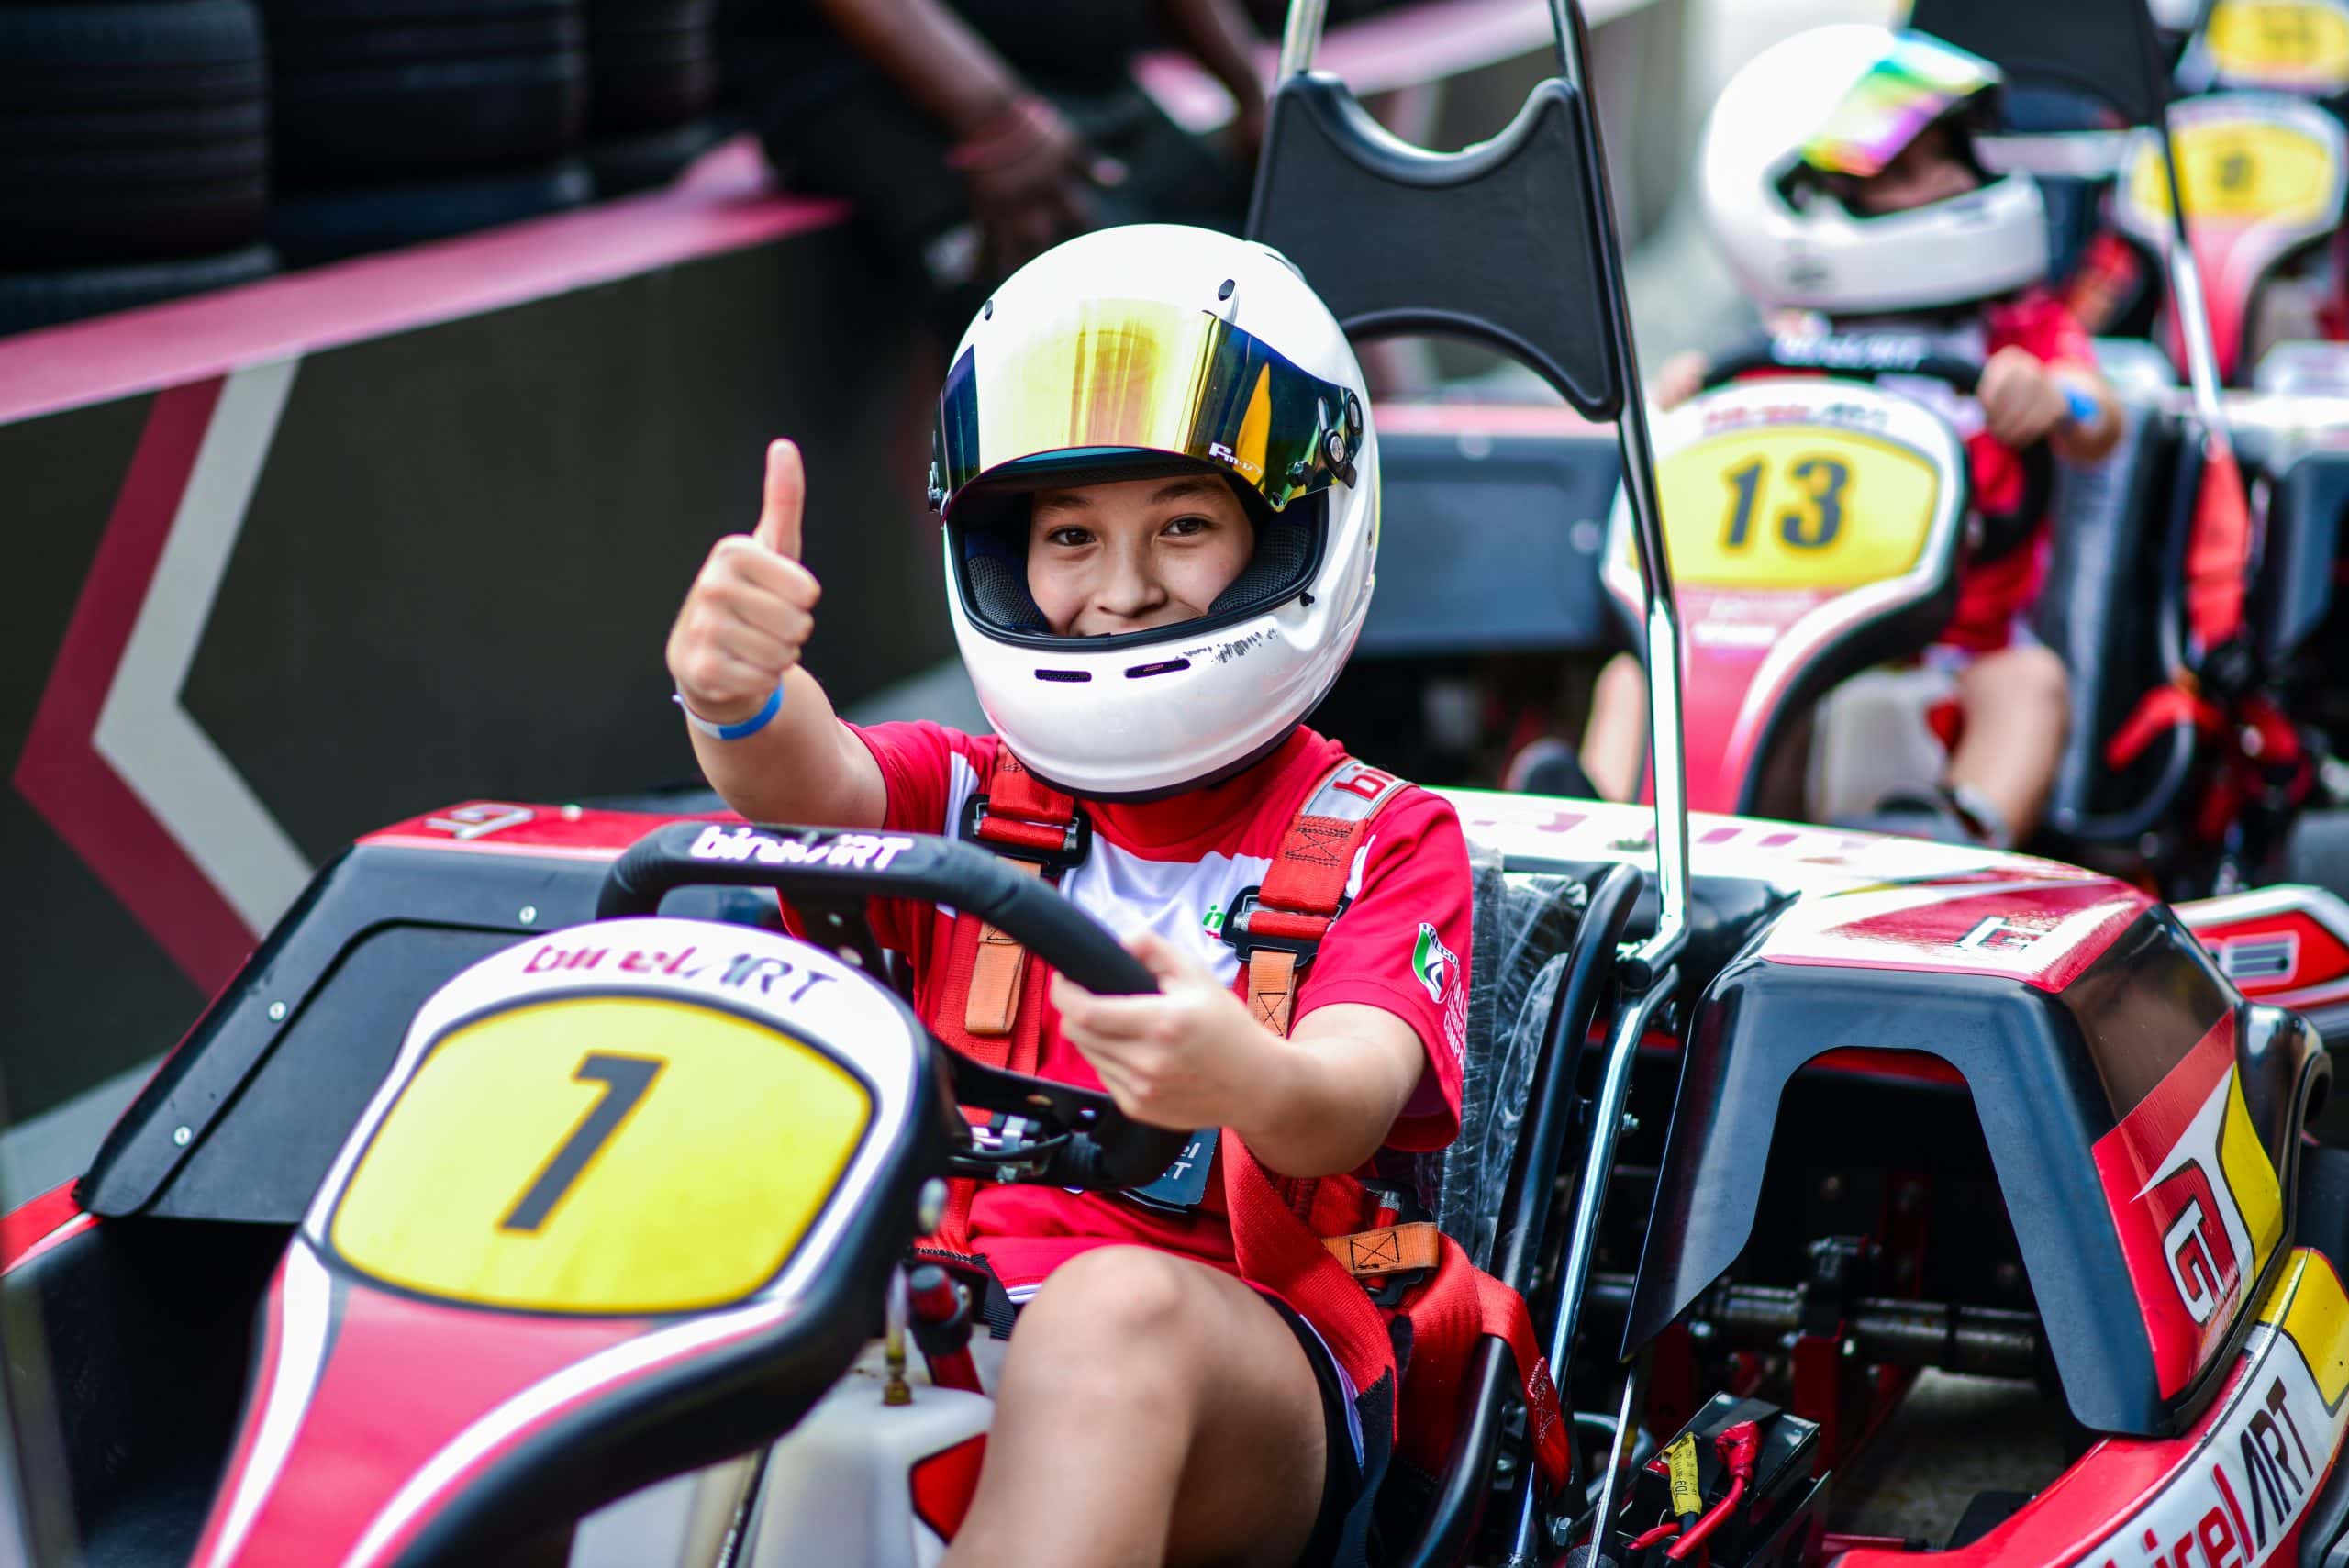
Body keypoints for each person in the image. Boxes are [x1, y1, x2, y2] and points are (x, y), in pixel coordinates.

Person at [663, 225, 1532, 1568]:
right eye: (1071, 536)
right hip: (943, 1314)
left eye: (1182, 526)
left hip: (1249, 1356)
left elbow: (1349, 1096)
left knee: (1108, 1311)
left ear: (1287, 534)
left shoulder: (1382, 836)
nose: (1120, 591)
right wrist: (736, 693)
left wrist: (1242, 1069)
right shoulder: (966, 792)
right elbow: (805, 786)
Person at [1572, 27, 2124, 848]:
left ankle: (1954, 830)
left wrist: (2053, 399)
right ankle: (1598, 833)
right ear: (1811, 204)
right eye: (1906, 171)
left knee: (2031, 685)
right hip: (1781, 638)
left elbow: (2097, 418)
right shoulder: (1778, 347)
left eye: (1947, 156)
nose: (1948, 181)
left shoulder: (2016, 334)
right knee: (1633, 677)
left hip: (1946, 654)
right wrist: (1688, 400)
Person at [753, 0, 1268, 340]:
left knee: (1248, 286)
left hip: (1077, 74)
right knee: (1092, 336)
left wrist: (1254, 94)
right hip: (892, 90)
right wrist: (997, 122)